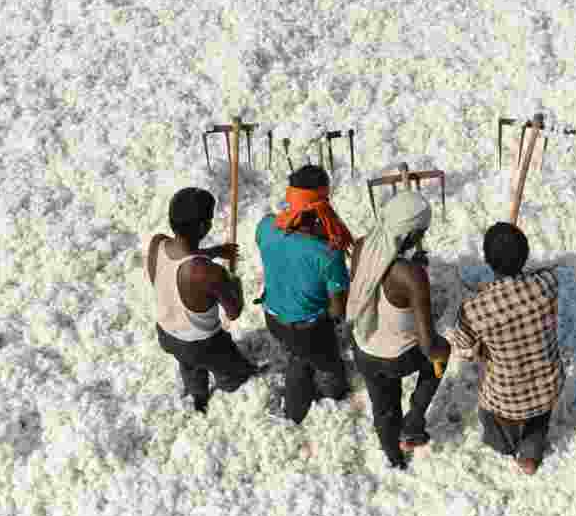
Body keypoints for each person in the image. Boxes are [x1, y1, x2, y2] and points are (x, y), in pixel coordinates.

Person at [347, 191, 451, 470]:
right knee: (441, 352)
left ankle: (394, 458)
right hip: (399, 358)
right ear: (412, 234)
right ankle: (415, 420)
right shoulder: (411, 276)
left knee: (383, 407)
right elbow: (428, 346)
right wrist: (444, 349)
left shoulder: (361, 247)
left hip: (363, 349)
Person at [449, 222, 564, 475]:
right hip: (549, 384)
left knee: (490, 413)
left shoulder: (473, 310)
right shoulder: (548, 283)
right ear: (525, 255)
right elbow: (536, 279)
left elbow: (464, 350)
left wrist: (483, 350)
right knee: (540, 414)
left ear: (488, 262)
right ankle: (531, 454)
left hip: (508, 397)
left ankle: (506, 446)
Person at [148, 187, 261, 414]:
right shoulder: (208, 273)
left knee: (188, 365)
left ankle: (198, 395)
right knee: (232, 369)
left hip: (167, 334)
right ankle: (230, 385)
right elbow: (234, 311)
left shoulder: (157, 244)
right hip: (204, 345)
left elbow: (176, 267)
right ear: (204, 227)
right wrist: (233, 283)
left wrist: (213, 252)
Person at [256, 165, 354, 424]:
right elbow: (337, 309)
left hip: (272, 315)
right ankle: (302, 409)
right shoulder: (327, 253)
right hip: (308, 329)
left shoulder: (265, 227)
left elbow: (286, 246)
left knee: (296, 351)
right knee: (320, 363)